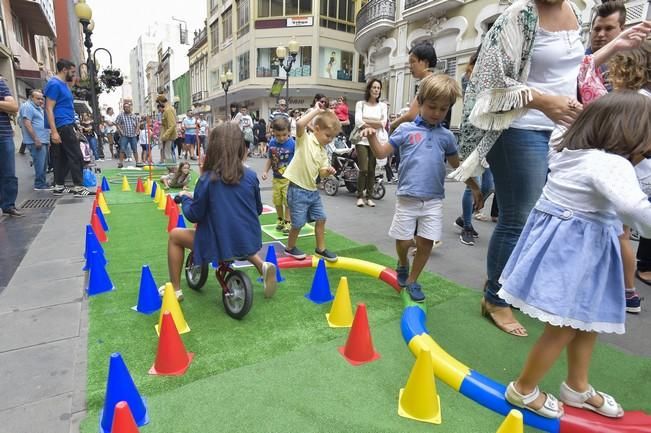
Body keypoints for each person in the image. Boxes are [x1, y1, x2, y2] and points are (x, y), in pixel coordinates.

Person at [500, 91, 651, 419]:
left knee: (587, 318)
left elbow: (568, 113)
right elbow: (633, 207)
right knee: (567, 323)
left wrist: (580, 107)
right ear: (630, 132)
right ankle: (523, 389)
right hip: (578, 250)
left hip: (575, 245)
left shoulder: (568, 147)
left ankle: (577, 386)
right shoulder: (611, 164)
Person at [452, 0, 585, 337]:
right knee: (518, 217)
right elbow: (489, 84)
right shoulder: (519, 15)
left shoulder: (579, 11)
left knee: (546, 217)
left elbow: (576, 68)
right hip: (519, 129)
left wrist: (618, 45)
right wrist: (544, 101)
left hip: (561, 133)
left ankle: (508, 285)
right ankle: (494, 298)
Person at [364, 74, 481, 302]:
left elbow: (457, 167)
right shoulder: (405, 130)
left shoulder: (446, 137)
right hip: (407, 197)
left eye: (443, 109)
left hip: (433, 200)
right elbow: (380, 153)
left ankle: (413, 280)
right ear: (420, 101)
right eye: (432, 107)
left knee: (426, 242)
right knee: (404, 241)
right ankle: (402, 262)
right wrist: (370, 138)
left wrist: (475, 187)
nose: (437, 113)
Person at [166, 123, 277, 301]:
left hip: (218, 242)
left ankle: (176, 290)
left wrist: (185, 199)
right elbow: (257, 209)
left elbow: (195, 214)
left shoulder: (207, 179)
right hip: (249, 239)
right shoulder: (250, 177)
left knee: (175, 236)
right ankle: (261, 265)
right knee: (235, 232)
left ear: (213, 149)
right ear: (241, 147)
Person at [282, 101, 340, 262]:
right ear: (316, 129)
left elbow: (321, 172)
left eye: (332, 137)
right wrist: (316, 111)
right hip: (297, 190)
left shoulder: (323, 152)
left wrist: (327, 171)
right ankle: (290, 247)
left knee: (321, 218)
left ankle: (320, 249)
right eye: (328, 135)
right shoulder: (305, 140)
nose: (330, 140)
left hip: (312, 191)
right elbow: (300, 123)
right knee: (298, 223)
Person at [454, 49, 495, 246]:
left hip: (491, 134)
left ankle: (464, 216)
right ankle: (467, 226)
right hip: (473, 135)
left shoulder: (498, 72)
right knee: (474, 185)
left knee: (489, 185)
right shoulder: (468, 77)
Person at [44, 59, 93, 197]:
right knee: (76, 155)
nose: (74, 74)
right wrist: (53, 131)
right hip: (63, 124)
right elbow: (49, 108)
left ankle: (59, 186)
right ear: (64, 70)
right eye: (72, 72)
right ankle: (78, 187)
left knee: (63, 157)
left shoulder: (63, 85)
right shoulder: (54, 84)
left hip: (67, 124)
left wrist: (75, 125)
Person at [354, 79, 387, 208]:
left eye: (378, 88)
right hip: (362, 140)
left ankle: (369, 196)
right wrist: (375, 122)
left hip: (376, 141)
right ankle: (360, 196)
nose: (376, 90)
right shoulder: (360, 104)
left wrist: (366, 120)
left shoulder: (382, 106)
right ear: (369, 89)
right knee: (364, 169)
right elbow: (358, 122)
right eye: (374, 87)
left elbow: (383, 123)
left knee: (372, 170)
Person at [390, 42, 437, 132]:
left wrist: (392, 125)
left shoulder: (428, 82)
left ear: (425, 62)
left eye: (413, 61)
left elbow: (412, 115)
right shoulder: (435, 79)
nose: (410, 67)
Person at [261, 116, 295, 234]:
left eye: (284, 135)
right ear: (273, 132)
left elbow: (297, 160)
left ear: (289, 132)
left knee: (287, 202)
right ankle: (280, 219)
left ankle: (287, 221)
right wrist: (265, 171)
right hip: (276, 178)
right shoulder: (272, 143)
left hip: (288, 179)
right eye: (278, 135)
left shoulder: (292, 144)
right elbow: (270, 159)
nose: (281, 138)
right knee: (277, 201)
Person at [19, 89, 50, 191]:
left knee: (43, 164)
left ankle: (42, 182)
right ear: (31, 98)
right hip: (36, 141)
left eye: (42, 99)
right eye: (38, 98)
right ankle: (39, 184)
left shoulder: (38, 108)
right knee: (39, 164)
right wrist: (36, 139)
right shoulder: (27, 107)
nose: (41, 101)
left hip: (43, 140)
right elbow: (27, 124)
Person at [0, 75, 20, 216]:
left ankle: (8, 205)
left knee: (8, 173)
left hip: (4, 135)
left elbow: (13, 106)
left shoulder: (0, 83)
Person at [115, 102, 140, 167]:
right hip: (124, 135)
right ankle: (120, 163)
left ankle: (137, 162)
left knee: (134, 149)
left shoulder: (134, 116)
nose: (126, 108)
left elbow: (138, 123)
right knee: (122, 149)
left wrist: (137, 131)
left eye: (127, 107)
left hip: (133, 135)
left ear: (130, 108)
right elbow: (117, 123)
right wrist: (120, 131)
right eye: (125, 107)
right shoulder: (121, 115)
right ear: (123, 108)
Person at [157, 95, 177, 163]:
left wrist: (165, 135)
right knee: (167, 153)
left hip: (169, 135)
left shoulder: (168, 110)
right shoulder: (166, 110)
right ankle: (171, 169)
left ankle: (172, 170)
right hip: (166, 135)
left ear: (160, 101)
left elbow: (172, 125)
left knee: (167, 154)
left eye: (158, 102)